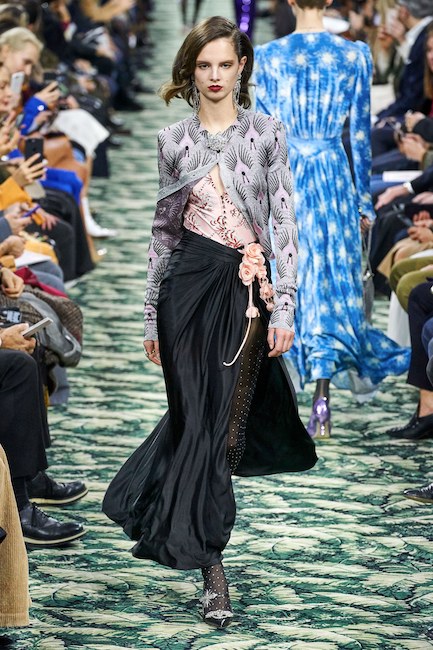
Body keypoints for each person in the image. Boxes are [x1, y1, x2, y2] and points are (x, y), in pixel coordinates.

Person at [103, 16, 317, 628]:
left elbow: (284, 222)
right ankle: (210, 565)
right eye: (204, 65)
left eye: (226, 64)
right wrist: (151, 315)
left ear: (242, 66)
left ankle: (179, 529)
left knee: (219, 431)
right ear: (191, 70)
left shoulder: (266, 133)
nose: (216, 75)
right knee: (194, 418)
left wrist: (286, 306)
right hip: (186, 290)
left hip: (245, 292)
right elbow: (163, 233)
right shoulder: (173, 140)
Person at [254, 0, 410, 436]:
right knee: (330, 279)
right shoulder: (354, 54)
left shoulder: (268, 56)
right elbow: (359, 136)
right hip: (332, 175)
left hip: (286, 177)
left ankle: (286, 392)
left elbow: (262, 136)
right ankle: (322, 397)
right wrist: (363, 202)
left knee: (290, 274)